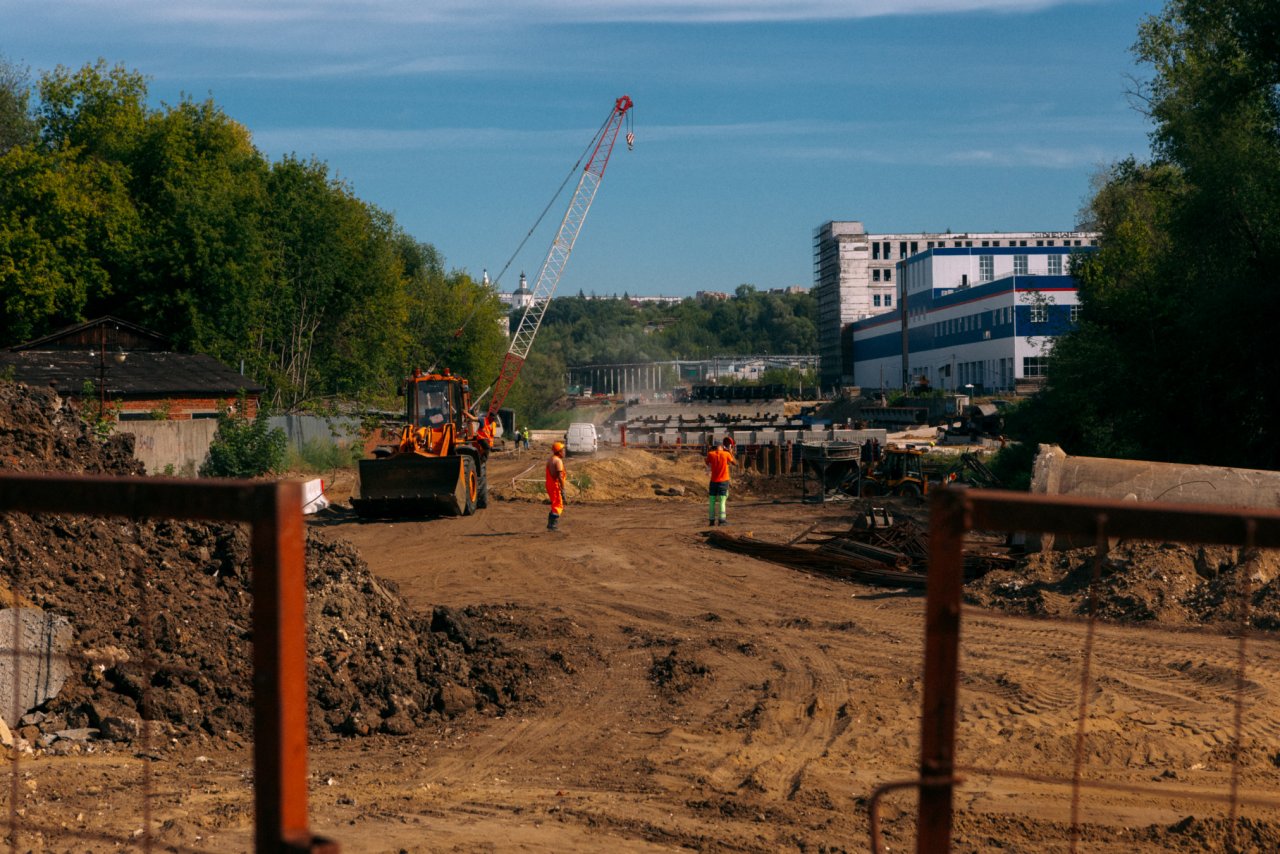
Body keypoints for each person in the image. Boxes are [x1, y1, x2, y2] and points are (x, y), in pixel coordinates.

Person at [705, 436, 736, 527]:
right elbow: (734, 463)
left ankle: (711, 521)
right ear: (722, 446)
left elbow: (707, 462)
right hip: (723, 481)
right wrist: (730, 452)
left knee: (712, 500)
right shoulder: (726, 454)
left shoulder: (711, 454)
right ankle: (722, 520)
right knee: (722, 500)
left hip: (713, 481)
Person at [545, 441, 567, 531]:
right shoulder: (558, 461)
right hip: (554, 485)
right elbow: (560, 476)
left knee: (555, 504)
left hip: (550, 484)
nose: (564, 452)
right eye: (563, 450)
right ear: (559, 451)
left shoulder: (551, 459)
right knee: (558, 504)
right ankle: (552, 525)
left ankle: (550, 524)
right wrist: (563, 489)